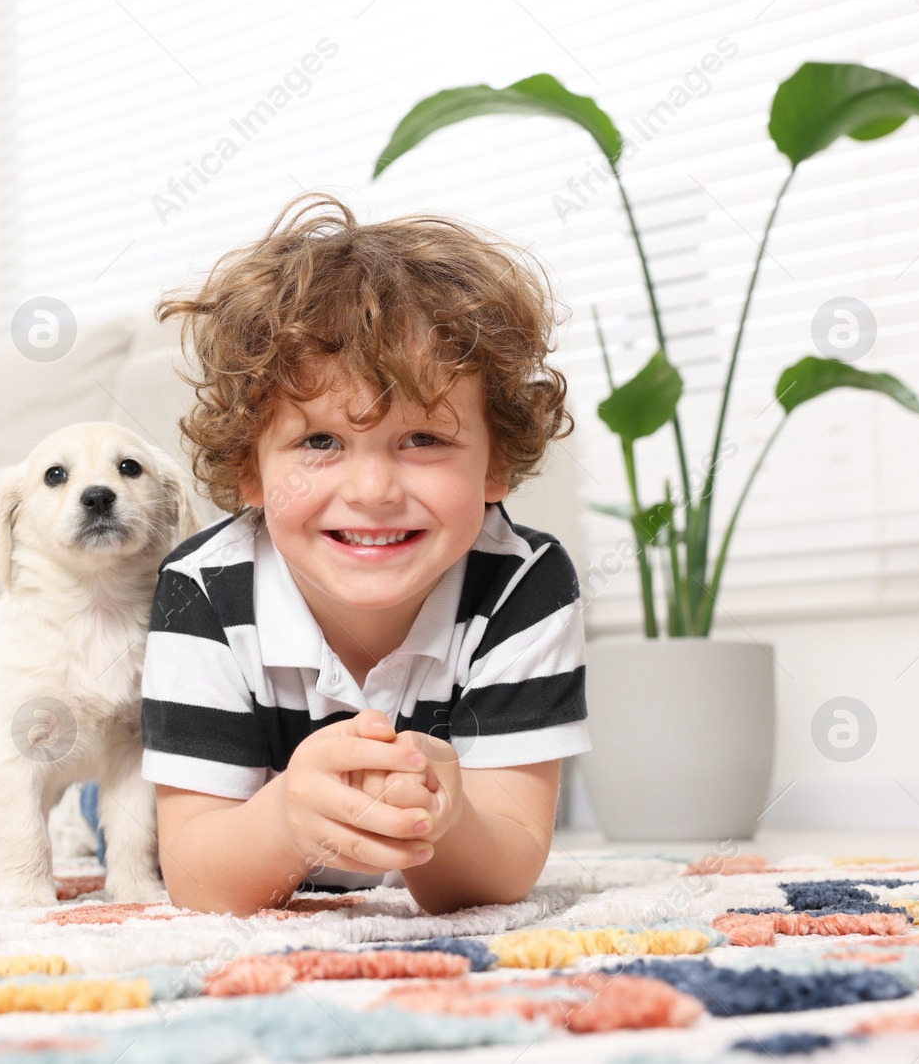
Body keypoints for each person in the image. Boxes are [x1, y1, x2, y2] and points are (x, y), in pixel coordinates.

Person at [138, 193, 589, 916]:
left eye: (424, 439)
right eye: (320, 442)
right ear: (250, 470)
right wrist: (288, 816)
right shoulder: (202, 589)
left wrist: (442, 816)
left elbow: (500, 875)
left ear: (495, 461)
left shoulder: (524, 584)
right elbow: (197, 879)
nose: (373, 490)